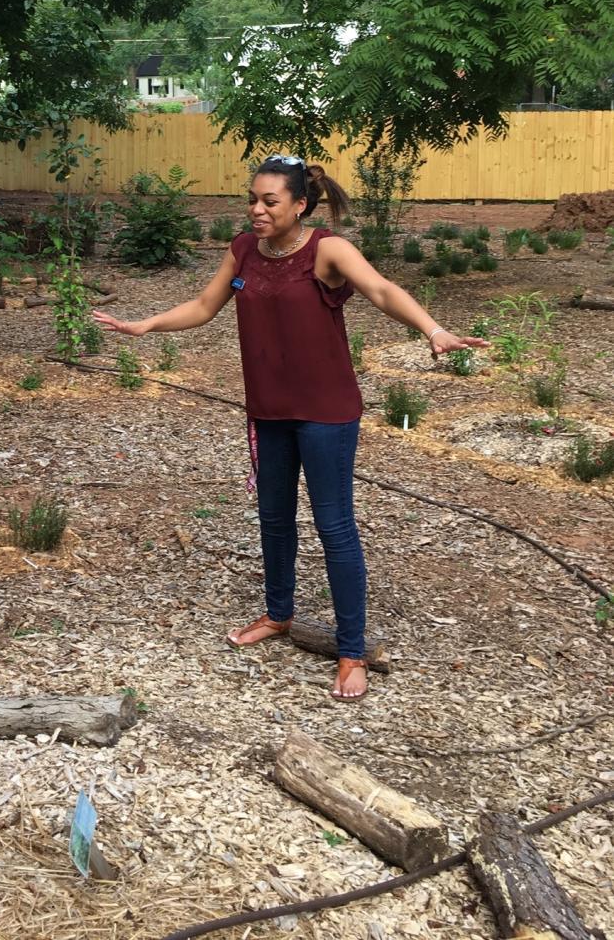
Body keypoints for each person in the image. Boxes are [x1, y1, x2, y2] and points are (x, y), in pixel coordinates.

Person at [95, 155, 487, 702]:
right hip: (268, 409)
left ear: (300, 204)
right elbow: (206, 306)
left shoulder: (327, 249)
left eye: (269, 201)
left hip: (327, 412)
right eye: (252, 200)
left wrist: (432, 327)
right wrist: (147, 324)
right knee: (275, 519)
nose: (256, 209)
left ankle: (351, 650)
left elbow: (380, 290)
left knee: (334, 526)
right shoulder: (243, 250)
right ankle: (278, 615)